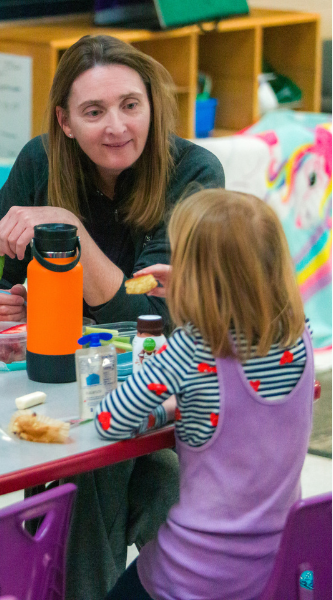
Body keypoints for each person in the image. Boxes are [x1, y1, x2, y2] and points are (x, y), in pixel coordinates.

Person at [0, 35, 225, 599]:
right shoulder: (40, 160)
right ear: (64, 121)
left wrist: (67, 228)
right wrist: (0, 299)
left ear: (152, 105)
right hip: (63, 384)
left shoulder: (193, 172)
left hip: (157, 396)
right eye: (94, 111)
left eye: (131, 105)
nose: (117, 126)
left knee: (109, 471)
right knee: (148, 483)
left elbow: (151, 315)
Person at [100, 190, 313, 600]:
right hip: (287, 568)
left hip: (202, 574)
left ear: (197, 278)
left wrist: (167, 412)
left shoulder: (193, 349)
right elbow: (240, 413)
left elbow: (114, 419)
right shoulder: (299, 335)